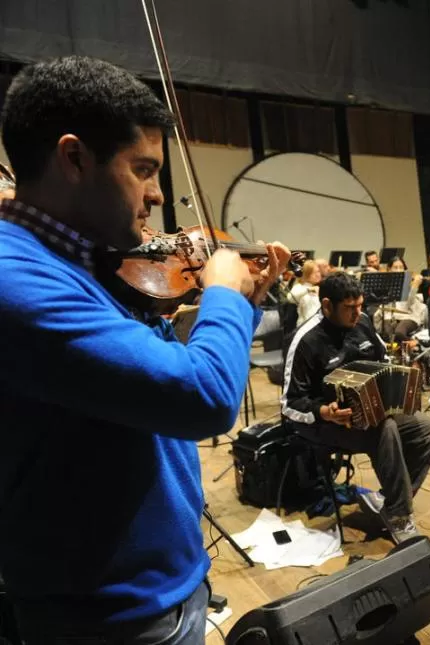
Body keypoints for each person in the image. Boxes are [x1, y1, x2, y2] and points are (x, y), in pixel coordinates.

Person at [0, 56, 290, 642]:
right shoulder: (16, 278)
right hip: (109, 615)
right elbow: (201, 398)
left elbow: (145, 374)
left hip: (162, 586)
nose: (159, 196)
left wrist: (243, 302)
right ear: (74, 158)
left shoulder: (82, 259)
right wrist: (225, 297)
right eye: (144, 169)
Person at [281, 273, 430, 544]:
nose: (357, 314)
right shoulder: (306, 340)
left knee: (428, 429)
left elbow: (383, 360)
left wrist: (401, 373)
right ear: (327, 305)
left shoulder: (363, 322)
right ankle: (400, 515)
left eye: (360, 306)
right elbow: (289, 404)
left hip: (371, 414)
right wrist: (323, 412)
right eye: (349, 308)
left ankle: (391, 502)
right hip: (324, 423)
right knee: (384, 428)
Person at [374, 256, 427, 341]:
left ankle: (413, 345)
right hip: (390, 315)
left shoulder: (410, 282)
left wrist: (415, 286)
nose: (398, 270)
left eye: (401, 267)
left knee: (399, 332)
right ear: (389, 269)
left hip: (408, 315)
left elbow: (410, 303)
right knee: (387, 335)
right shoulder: (385, 284)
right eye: (395, 267)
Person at [288, 258, 322, 327]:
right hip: (305, 326)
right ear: (307, 274)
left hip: (315, 325)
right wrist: (309, 290)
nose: (318, 274)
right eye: (315, 272)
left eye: (318, 271)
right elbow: (290, 297)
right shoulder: (299, 287)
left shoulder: (315, 287)